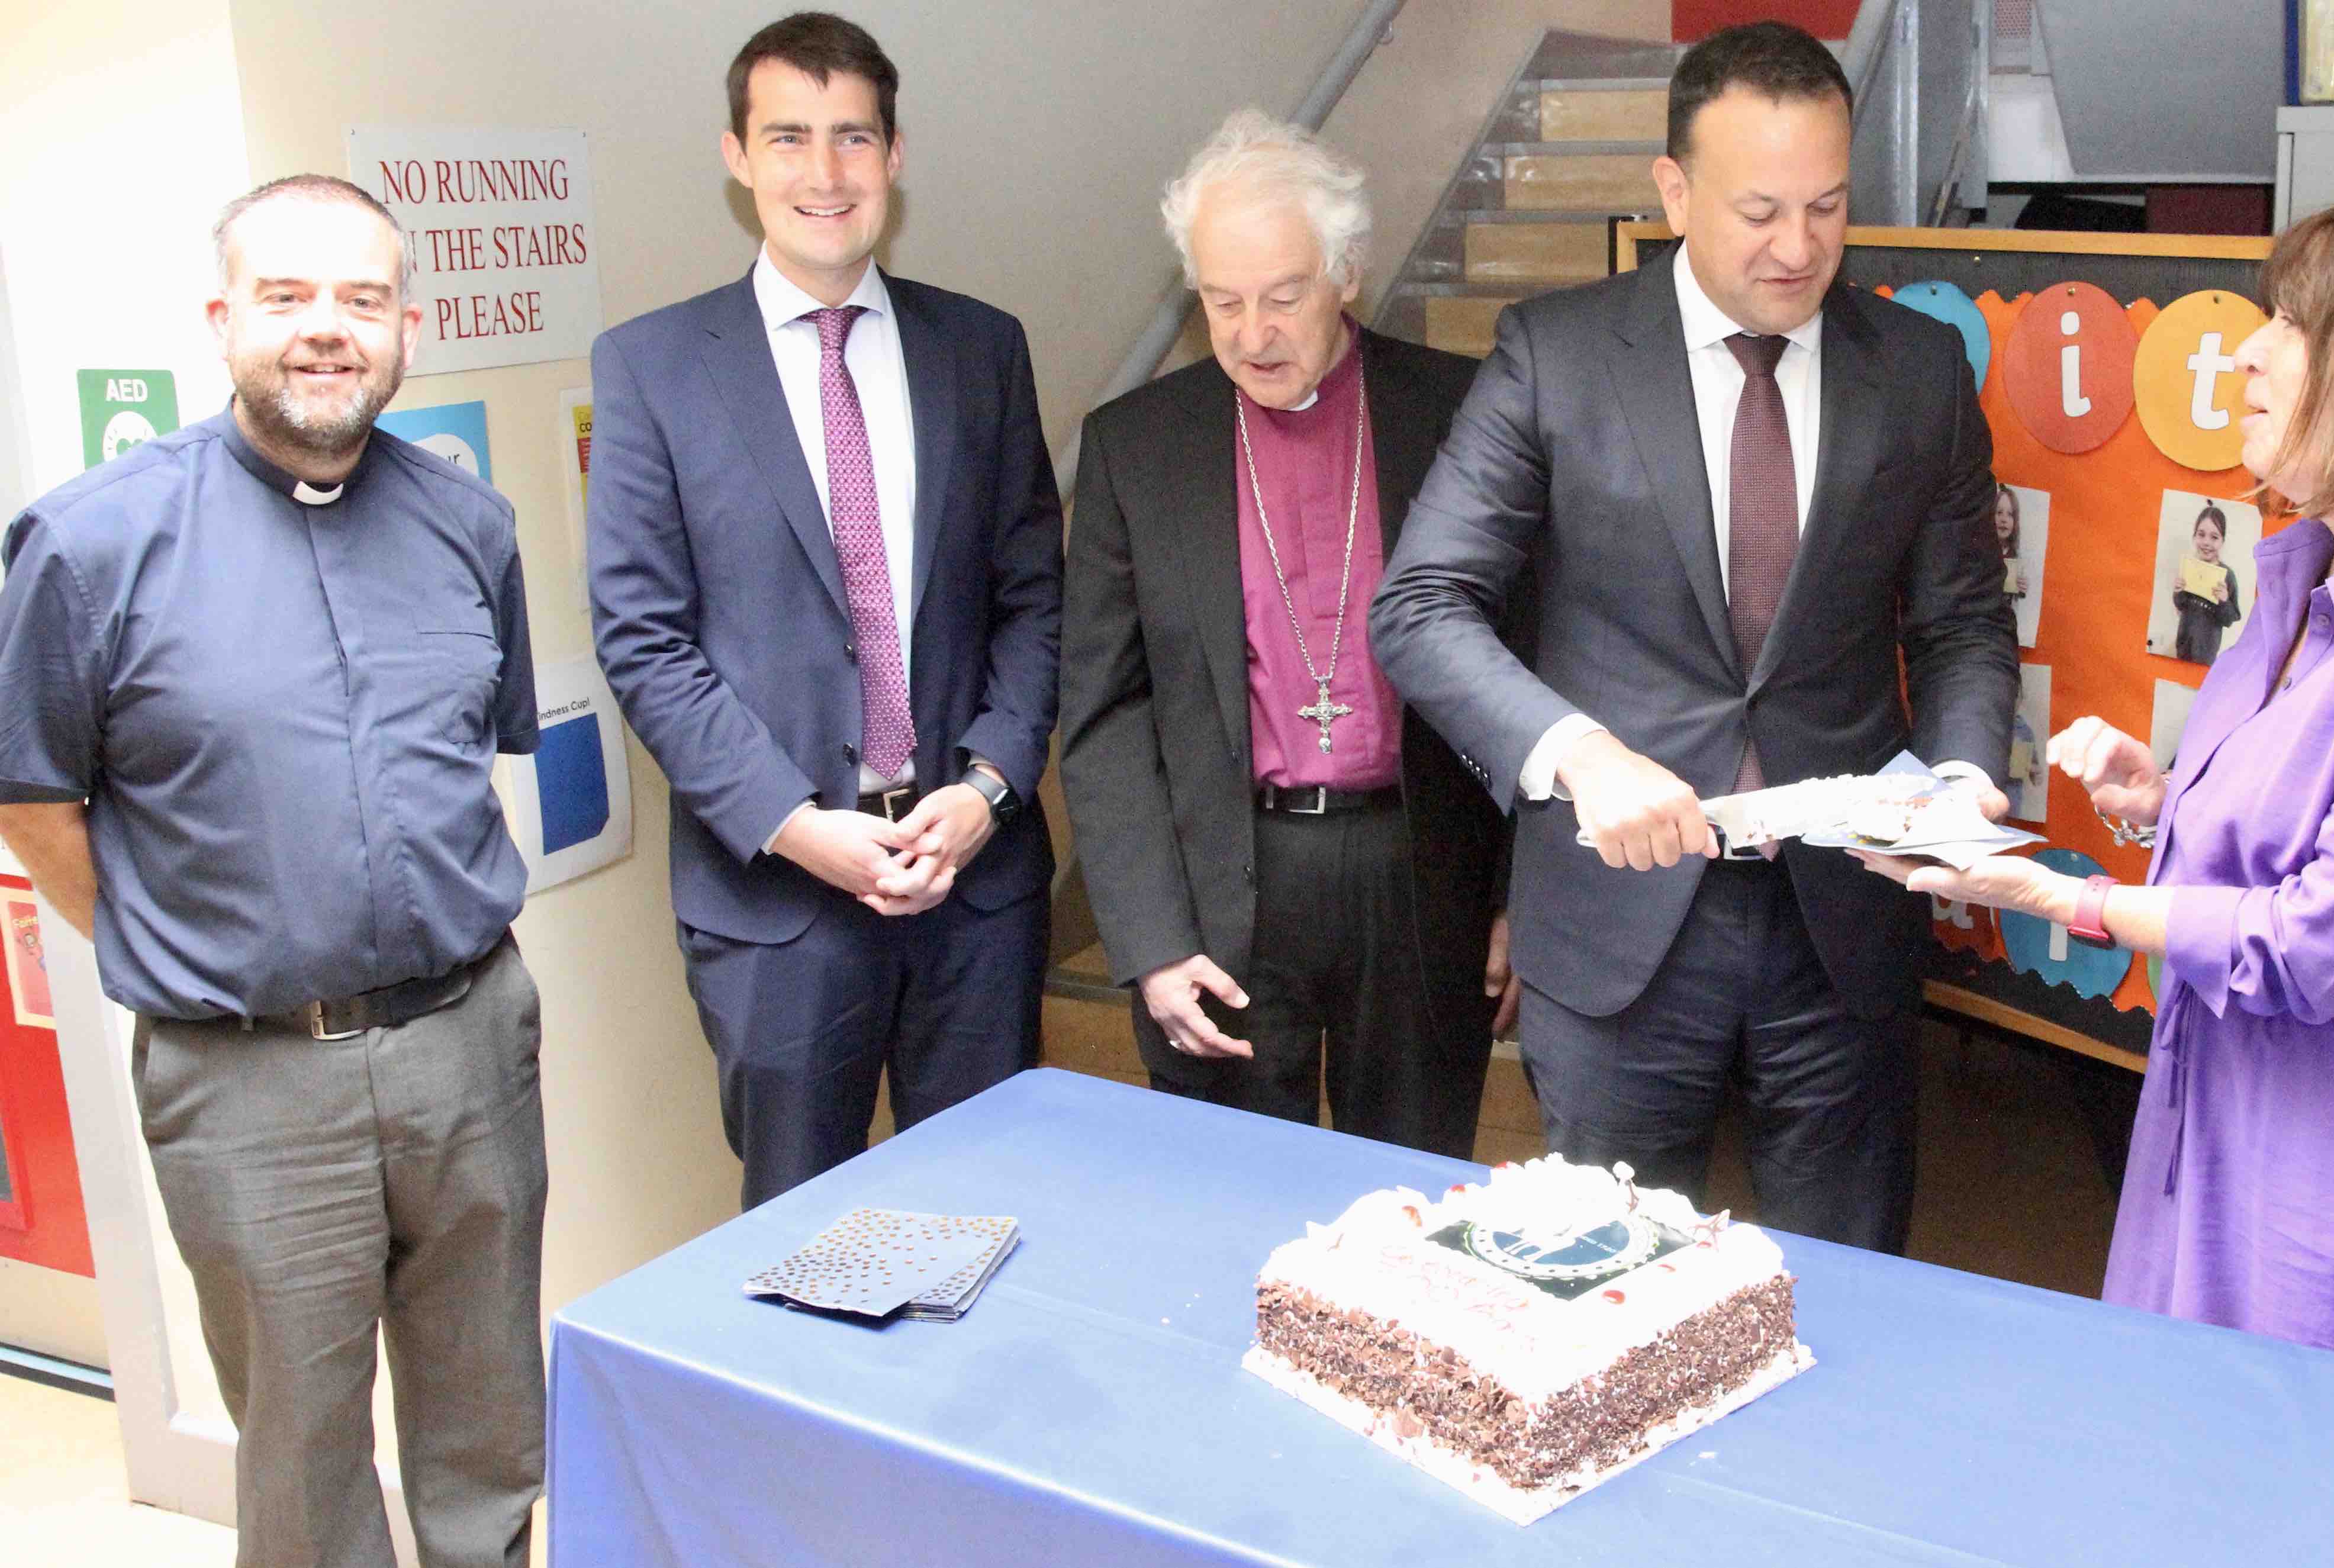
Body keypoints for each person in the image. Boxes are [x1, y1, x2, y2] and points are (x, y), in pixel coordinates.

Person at [1855, 192, 2334, 1386]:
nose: (2245, 354)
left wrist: (2060, 897)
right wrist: (2167, 799)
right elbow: (2311, 812)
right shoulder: (2316, 559)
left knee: (2326, 1473)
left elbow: (2316, 938)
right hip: (2247, 1100)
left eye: (2293, 325)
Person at [1370, 21, 2017, 1251]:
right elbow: (1420, 603)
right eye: (1759, 210)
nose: (1797, 247)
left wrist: (1961, 773)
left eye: (1828, 207)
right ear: (1672, 190)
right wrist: (1574, 752)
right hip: (1618, 924)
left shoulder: (1919, 369)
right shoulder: (1555, 357)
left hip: (1844, 919)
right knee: (1613, 1284)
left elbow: (1963, 623)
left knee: (1852, 1280)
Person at [0, 176, 545, 1566]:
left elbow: (472, 755)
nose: (326, 329)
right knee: (302, 1452)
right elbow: (32, 792)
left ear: (406, 325)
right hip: (247, 1076)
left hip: (469, 1045)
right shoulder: (89, 543)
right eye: (287, 296)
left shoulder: (467, 528)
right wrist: (181, 941)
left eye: (361, 300)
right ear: (221, 317)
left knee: (488, 1419)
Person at [590, 11, 1061, 1208]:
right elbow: (645, 642)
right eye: (788, 137)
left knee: (989, 1220)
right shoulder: (651, 367)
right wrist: (799, 825)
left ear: (894, 158)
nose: (823, 172)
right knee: (804, 1246)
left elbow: (1034, 598)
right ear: (737, 156)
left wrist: (988, 790)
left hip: (974, 888)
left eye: (853, 138)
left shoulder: (982, 348)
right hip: (780, 906)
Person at [1059, 112, 1518, 1157]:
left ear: (1347, 272)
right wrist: (1148, 938)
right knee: (1231, 1206)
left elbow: (1527, 656)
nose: (1251, 334)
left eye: (1282, 296)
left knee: (1409, 1206)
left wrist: (1520, 897)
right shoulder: (1137, 447)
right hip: (1222, 888)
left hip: (1418, 871)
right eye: (1222, 302)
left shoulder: (1461, 412)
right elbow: (1104, 715)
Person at [2169, 502, 2241, 664]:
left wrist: (2224, 601)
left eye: (2214, 537)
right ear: (2194, 537)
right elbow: (2181, 605)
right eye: (2201, 535)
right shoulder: (2189, 567)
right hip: (2183, 645)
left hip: (2207, 652)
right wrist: (2178, 592)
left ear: (2223, 541)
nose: (2207, 542)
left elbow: (2230, 619)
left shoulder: (2227, 576)